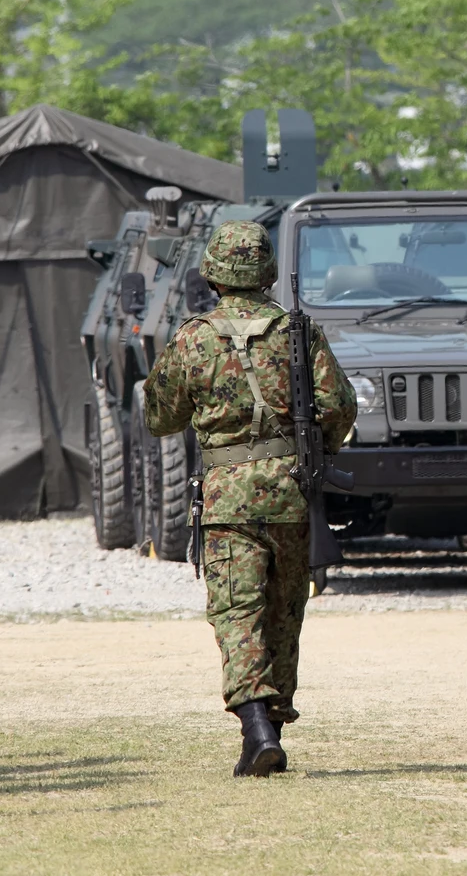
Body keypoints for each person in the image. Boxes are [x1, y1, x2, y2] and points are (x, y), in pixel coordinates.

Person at [143, 221, 354, 778]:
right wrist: (311, 447)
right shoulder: (298, 332)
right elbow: (338, 407)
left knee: (239, 614)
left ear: (212, 273)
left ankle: (256, 728)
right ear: (265, 273)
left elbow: (159, 416)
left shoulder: (193, 337)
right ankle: (271, 729)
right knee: (284, 613)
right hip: (292, 491)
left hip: (226, 499)